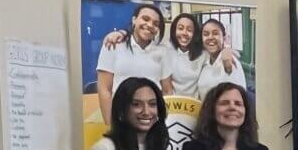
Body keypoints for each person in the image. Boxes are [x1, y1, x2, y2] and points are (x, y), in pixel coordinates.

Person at [101, 13, 238, 98]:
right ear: (174, 30)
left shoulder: (202, 53)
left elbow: (217, 51)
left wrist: (226, 49)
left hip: (194, 109)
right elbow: (144, 37)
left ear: (195, 33)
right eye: (180, 28)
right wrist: (121, 33)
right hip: (170, 108)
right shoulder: (164, 48)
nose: (184, 33)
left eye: (189, 30)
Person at [96, 3, 174, 124]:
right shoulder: (113, 45)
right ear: (134, 20)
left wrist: (164, 122)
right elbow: (104, 89)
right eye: (145, 19)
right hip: (122, 117)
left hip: (152, 119)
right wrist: (111, 124)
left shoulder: (162, 51)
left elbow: (167, 91)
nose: (150, 25)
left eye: (155, 23)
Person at [196, 19, 248, 99]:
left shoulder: (229, 60)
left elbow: (237, 98)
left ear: (224, 38)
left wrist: (227, 50)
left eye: (215, 33)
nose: (210, 37)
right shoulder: (205, 62)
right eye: (206, 34)